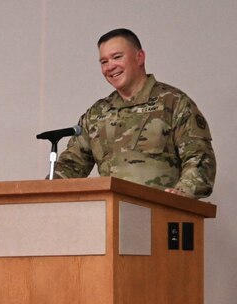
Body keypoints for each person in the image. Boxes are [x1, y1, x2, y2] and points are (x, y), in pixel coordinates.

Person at [53, 28, 216, 198]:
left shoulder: (173, 102)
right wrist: (44, 194)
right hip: (110, 216)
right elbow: (71, 165)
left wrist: (181, 194)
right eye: (103, 61)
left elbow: (200, 158)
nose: (110, 66)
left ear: (140, 57)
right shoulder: (96, 114)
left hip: (161, 214)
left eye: (117, 57)